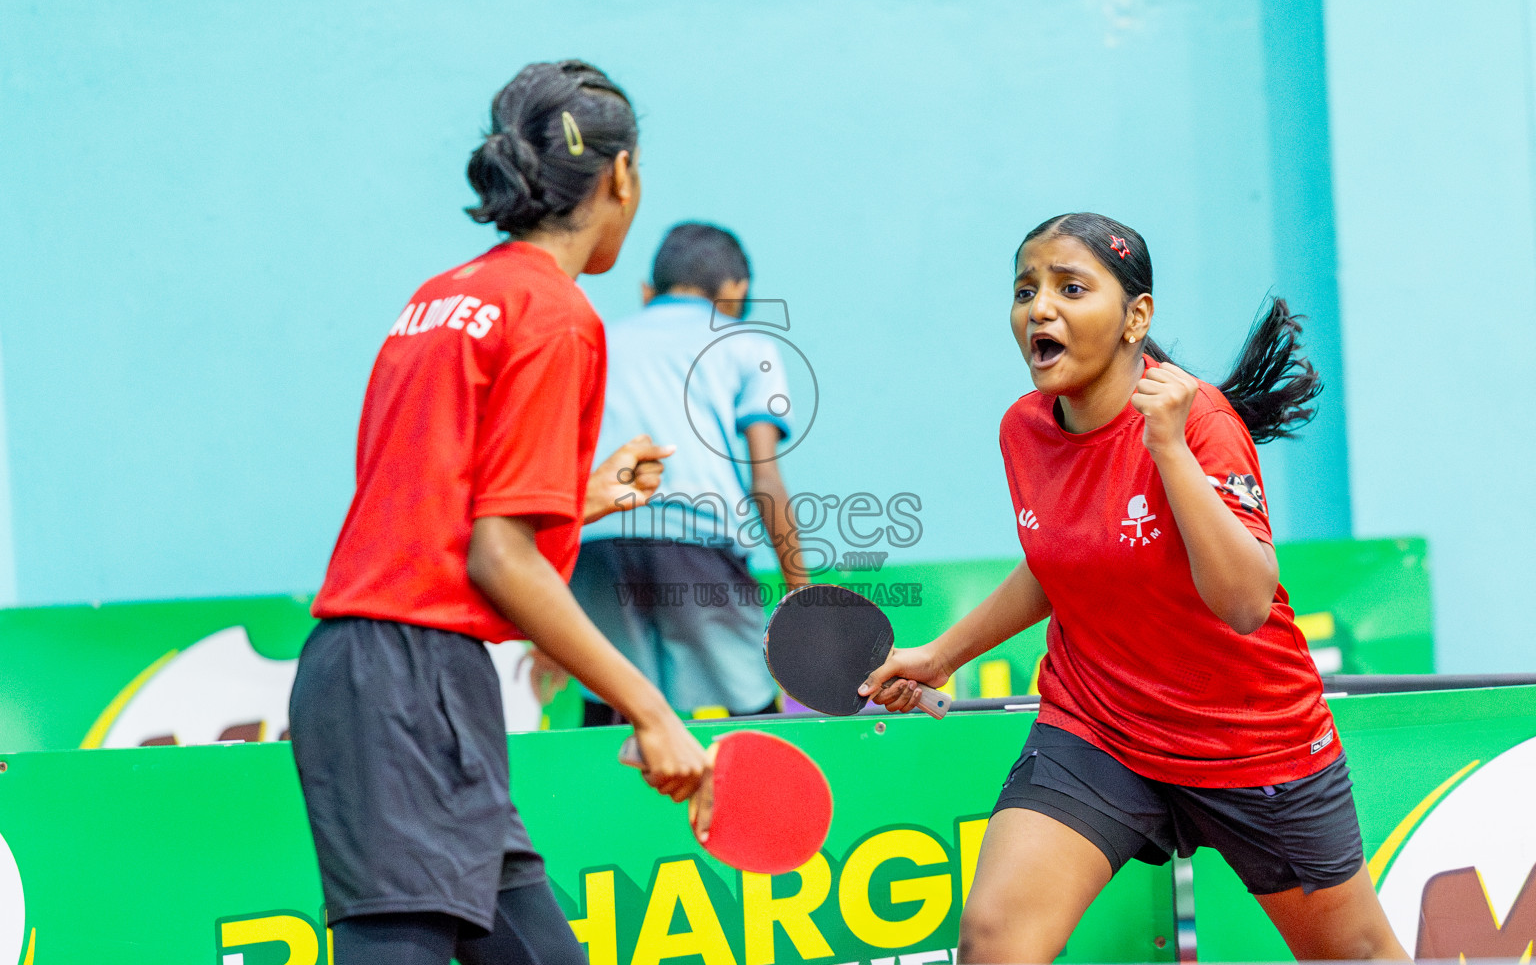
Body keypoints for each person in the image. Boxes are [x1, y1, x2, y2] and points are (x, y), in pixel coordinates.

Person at [863, 212, 1408, 963]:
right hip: (1099, 728)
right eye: (1026, 290)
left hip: (1249, 742)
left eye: (1070, 287)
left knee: (1356, 955)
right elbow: (1063, 558)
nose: (1039, 309)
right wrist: (941, 654)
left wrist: (1170, 452)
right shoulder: (1024, 429)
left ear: (1135, 317)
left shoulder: (1203, 424)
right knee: (994, 939)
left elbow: (1246, 603)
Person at [288, 61, 708, 965]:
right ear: (620, 177)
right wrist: (648, 707)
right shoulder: (557, 315)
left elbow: (434, 501)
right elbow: (498, 559)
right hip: (410, 679)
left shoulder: (443, 296)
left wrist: (576, 497)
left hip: (384, 675)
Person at [573, 223, 809, 725]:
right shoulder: (745, 343)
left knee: (611, 702)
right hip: (694, 542)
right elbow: (764, 479)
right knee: (751, 706)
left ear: (647, 291)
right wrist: (800, 592)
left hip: (594, 543)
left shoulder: (598, 342)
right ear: (737, 292)